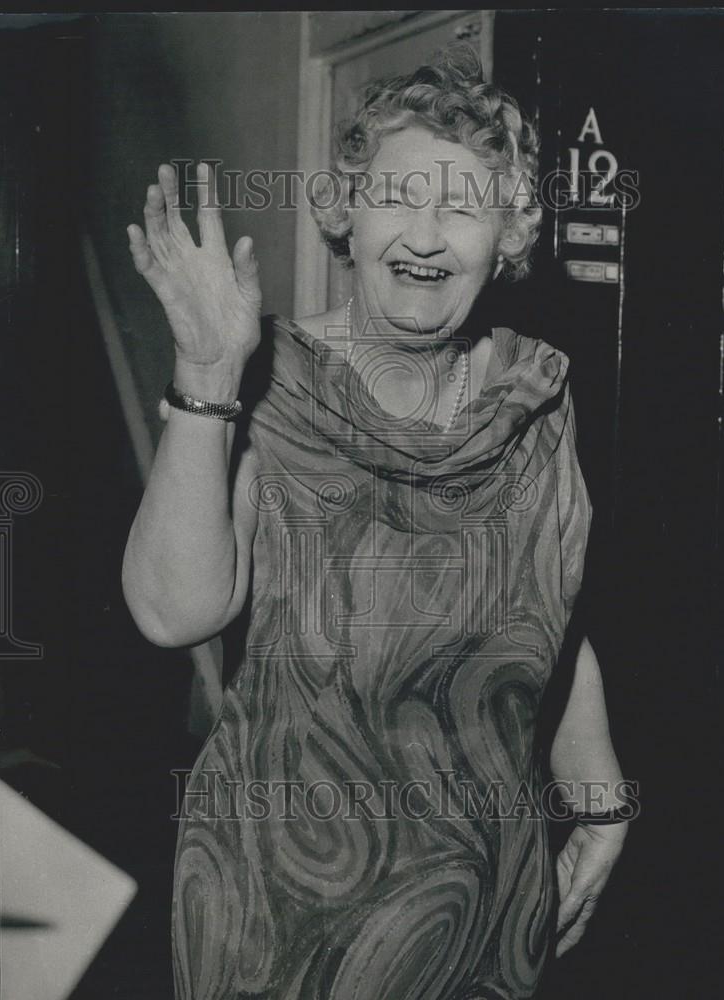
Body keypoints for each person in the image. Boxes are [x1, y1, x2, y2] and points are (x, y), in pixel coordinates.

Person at [122, 46, 630, 1000]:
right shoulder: (264, 382)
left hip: (488, 909)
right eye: (397, 193)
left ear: (509, 238)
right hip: (282, 917)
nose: (427, 235)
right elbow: (173, 613)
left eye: (465, 206)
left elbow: (550, 614)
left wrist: (601, 802)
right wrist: (204, 377)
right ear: (344, 210)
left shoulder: (536, 394)